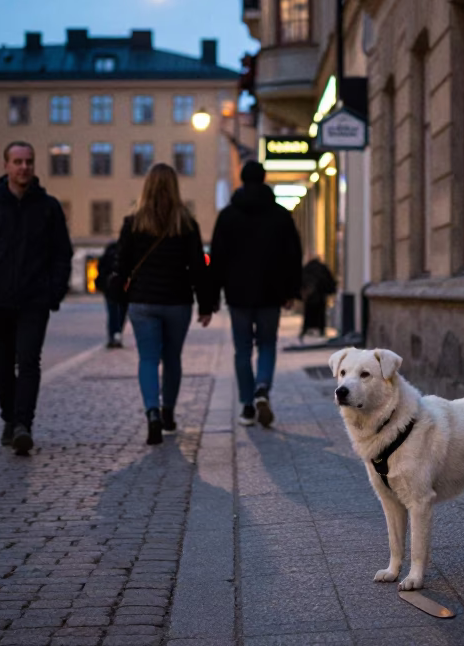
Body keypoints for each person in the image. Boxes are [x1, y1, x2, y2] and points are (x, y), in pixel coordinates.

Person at [0, 141, 73, 456]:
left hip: (35, 300)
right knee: (3, 362)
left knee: (29, 361)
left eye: (28, 162)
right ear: (6, 166)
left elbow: (62, 254)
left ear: (34, 166)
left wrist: (54, 290)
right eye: (17, 161)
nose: (24, 167)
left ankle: (23, 424)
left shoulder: (48, 206)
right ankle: (9, 419)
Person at [116, 163, 215, 445]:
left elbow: (120, 265)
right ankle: (168, 413)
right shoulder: (186, 223)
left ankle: (152, 413)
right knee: (172, 359)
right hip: (177, 302)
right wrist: (206, 305)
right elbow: (198, 268)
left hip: (142, 301)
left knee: (148, 359)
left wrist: (117, 293)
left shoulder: (132, 222)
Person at [209, 160, 303, 428]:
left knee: (242, 349)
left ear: (241, 179)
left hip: (238, 294)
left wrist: (213, 294)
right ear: (264, 179)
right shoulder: (280, 215)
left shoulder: (227, 216)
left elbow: (217, 258)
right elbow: (292, 255)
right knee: (267, 344)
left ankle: (247, 406)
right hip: (271, 293)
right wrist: (291, 290)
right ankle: (262, 387)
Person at [95, 241, 126, 348]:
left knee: (112, 313)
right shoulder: (123, 255)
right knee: (120, 313)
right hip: (122, 290)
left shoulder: (107, 255)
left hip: (110, 290)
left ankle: (113, 336)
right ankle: (117, 334)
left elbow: (100, 269)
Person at [299, 255, 336, 340]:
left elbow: (301, 280)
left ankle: (306, 329)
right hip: (320, 295)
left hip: (310, 296)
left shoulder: (307, 268)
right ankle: (321, 329)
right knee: (321, 313)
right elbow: (328, 281)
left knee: (308, 313)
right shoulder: (322, 268)